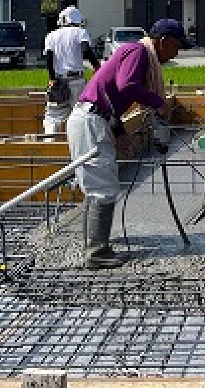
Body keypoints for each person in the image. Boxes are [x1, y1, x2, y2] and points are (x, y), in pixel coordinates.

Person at [66, 17, 188, 269]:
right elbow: (127, 85)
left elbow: (110, 96)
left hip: (94, 118)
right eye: (176, 46)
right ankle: (97, 252)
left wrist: (120, 133)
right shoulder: (138, 51)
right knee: (103, 189)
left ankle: (93, 243)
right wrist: (158, 102)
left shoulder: (135, 51)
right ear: (163, 41)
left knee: (96, 185)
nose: (176, 52)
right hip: (91, 121)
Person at [43, 6, 101, 135]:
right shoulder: (80, 32)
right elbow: (86, 50)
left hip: (58, 81)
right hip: (77, 80)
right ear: (77, 20)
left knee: (54, 117)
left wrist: (52, 78)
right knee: (80, 114)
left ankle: (48, 145)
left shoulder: (51, 36)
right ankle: (79, 145)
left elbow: (49, 58)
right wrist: (97, 67)